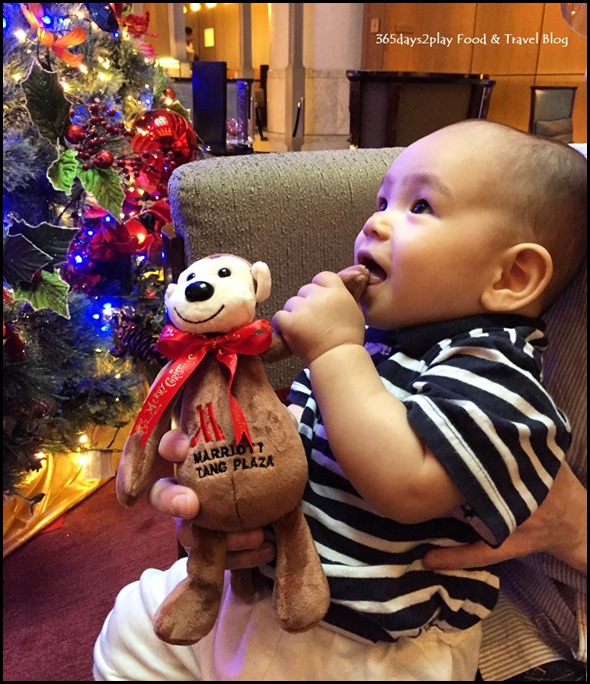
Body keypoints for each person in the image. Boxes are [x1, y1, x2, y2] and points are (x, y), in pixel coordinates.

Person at [93, 120, 587, 681]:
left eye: (420, 206)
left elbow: (408, 485)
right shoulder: (383, 344)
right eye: (382, 199)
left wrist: (332, 350)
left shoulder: (499, 377)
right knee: (131, 625)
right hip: (279, 590)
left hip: (371, 642)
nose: (375, 221)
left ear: (513, 276)